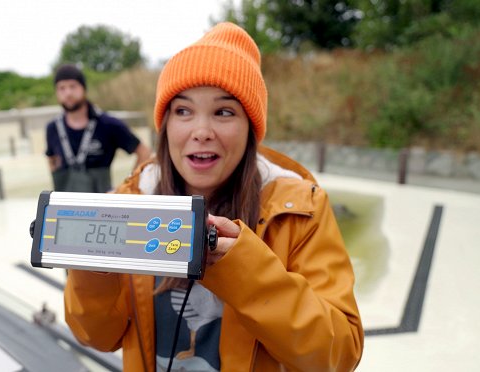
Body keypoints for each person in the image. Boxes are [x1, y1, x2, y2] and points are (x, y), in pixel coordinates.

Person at [63, 22, 364, 371]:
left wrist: (245, 269)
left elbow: (338, 354)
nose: (201, 132)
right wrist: (93, 271)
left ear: (251, 128)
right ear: (165, 125)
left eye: (224, 112)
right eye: (183, 111)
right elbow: (96, 336)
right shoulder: (130, 203)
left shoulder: (300, 210)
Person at [45, 64, 151, 192]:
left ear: (83, 88)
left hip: (100, 206)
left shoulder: (108, 124)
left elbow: (144, 152)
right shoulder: (52, 128)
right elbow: (52, 160)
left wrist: (124, 188)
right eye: (62, 88)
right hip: (64, 206)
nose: (68, 93)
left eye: (73, 86)